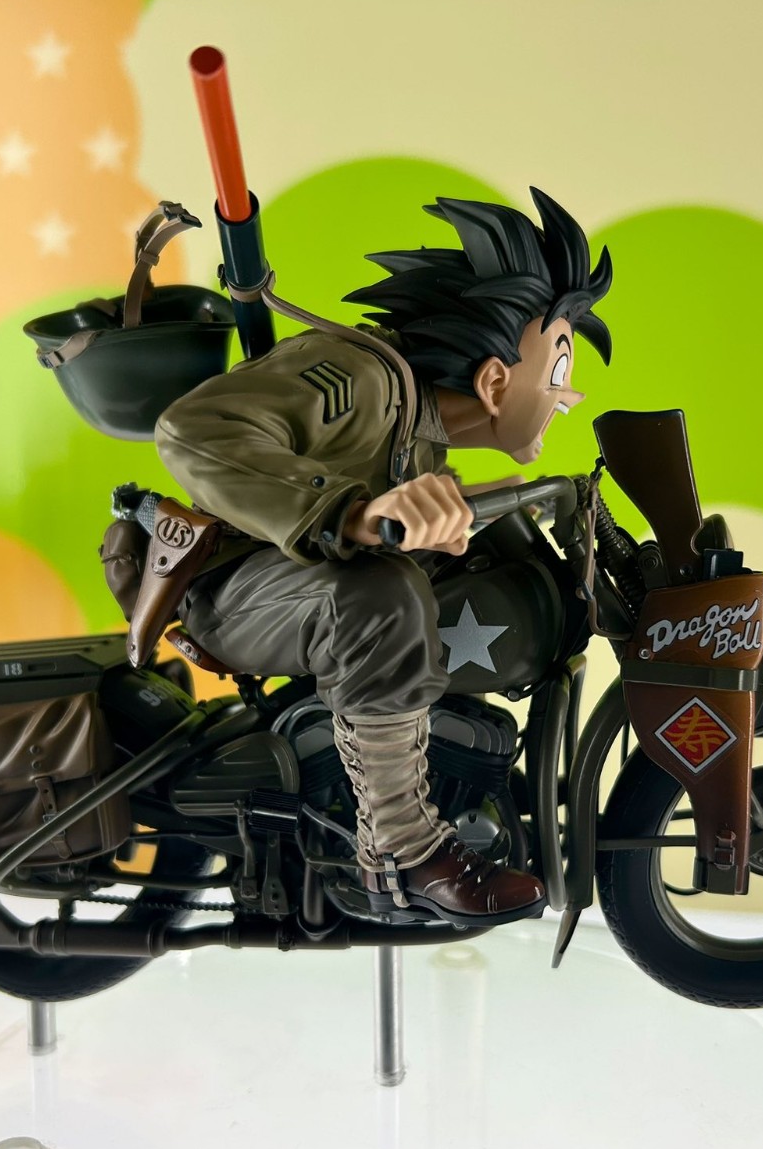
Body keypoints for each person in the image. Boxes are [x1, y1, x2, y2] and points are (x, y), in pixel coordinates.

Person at [155, 188, 612, 925]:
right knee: (380, 593)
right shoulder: (357, 377)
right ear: (495, 381)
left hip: (286, 581)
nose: (568, 396)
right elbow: (193, 431)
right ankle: (399, 852)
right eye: (558, 371)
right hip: (230, 589)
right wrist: (348, 511)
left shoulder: (416, 425)